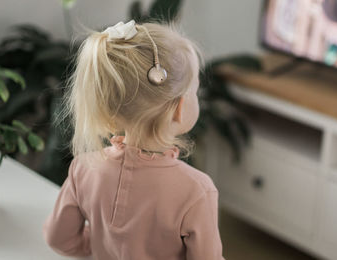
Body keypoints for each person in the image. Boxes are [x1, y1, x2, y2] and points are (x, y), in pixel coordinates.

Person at [43, 20, 224, 260]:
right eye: (195, 91)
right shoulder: (196, 190)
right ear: (178, 108)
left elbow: (59, 239)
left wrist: (99, 247)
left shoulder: (83, 168)